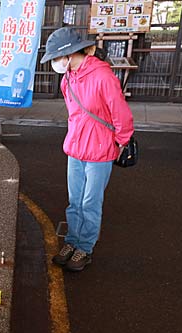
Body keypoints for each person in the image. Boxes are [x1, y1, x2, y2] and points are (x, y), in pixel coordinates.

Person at [40, 27, 134, 272]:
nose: (56, 63)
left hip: (100, 150)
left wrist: (122, 140)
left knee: (90, 202)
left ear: (70, 53)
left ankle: (85, 247)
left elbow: (120, 112)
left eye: (57, 58)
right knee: (74, 202)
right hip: (76, 148)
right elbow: (74, 115)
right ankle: (71, 242)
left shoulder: (103, 76)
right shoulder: (67, 78)